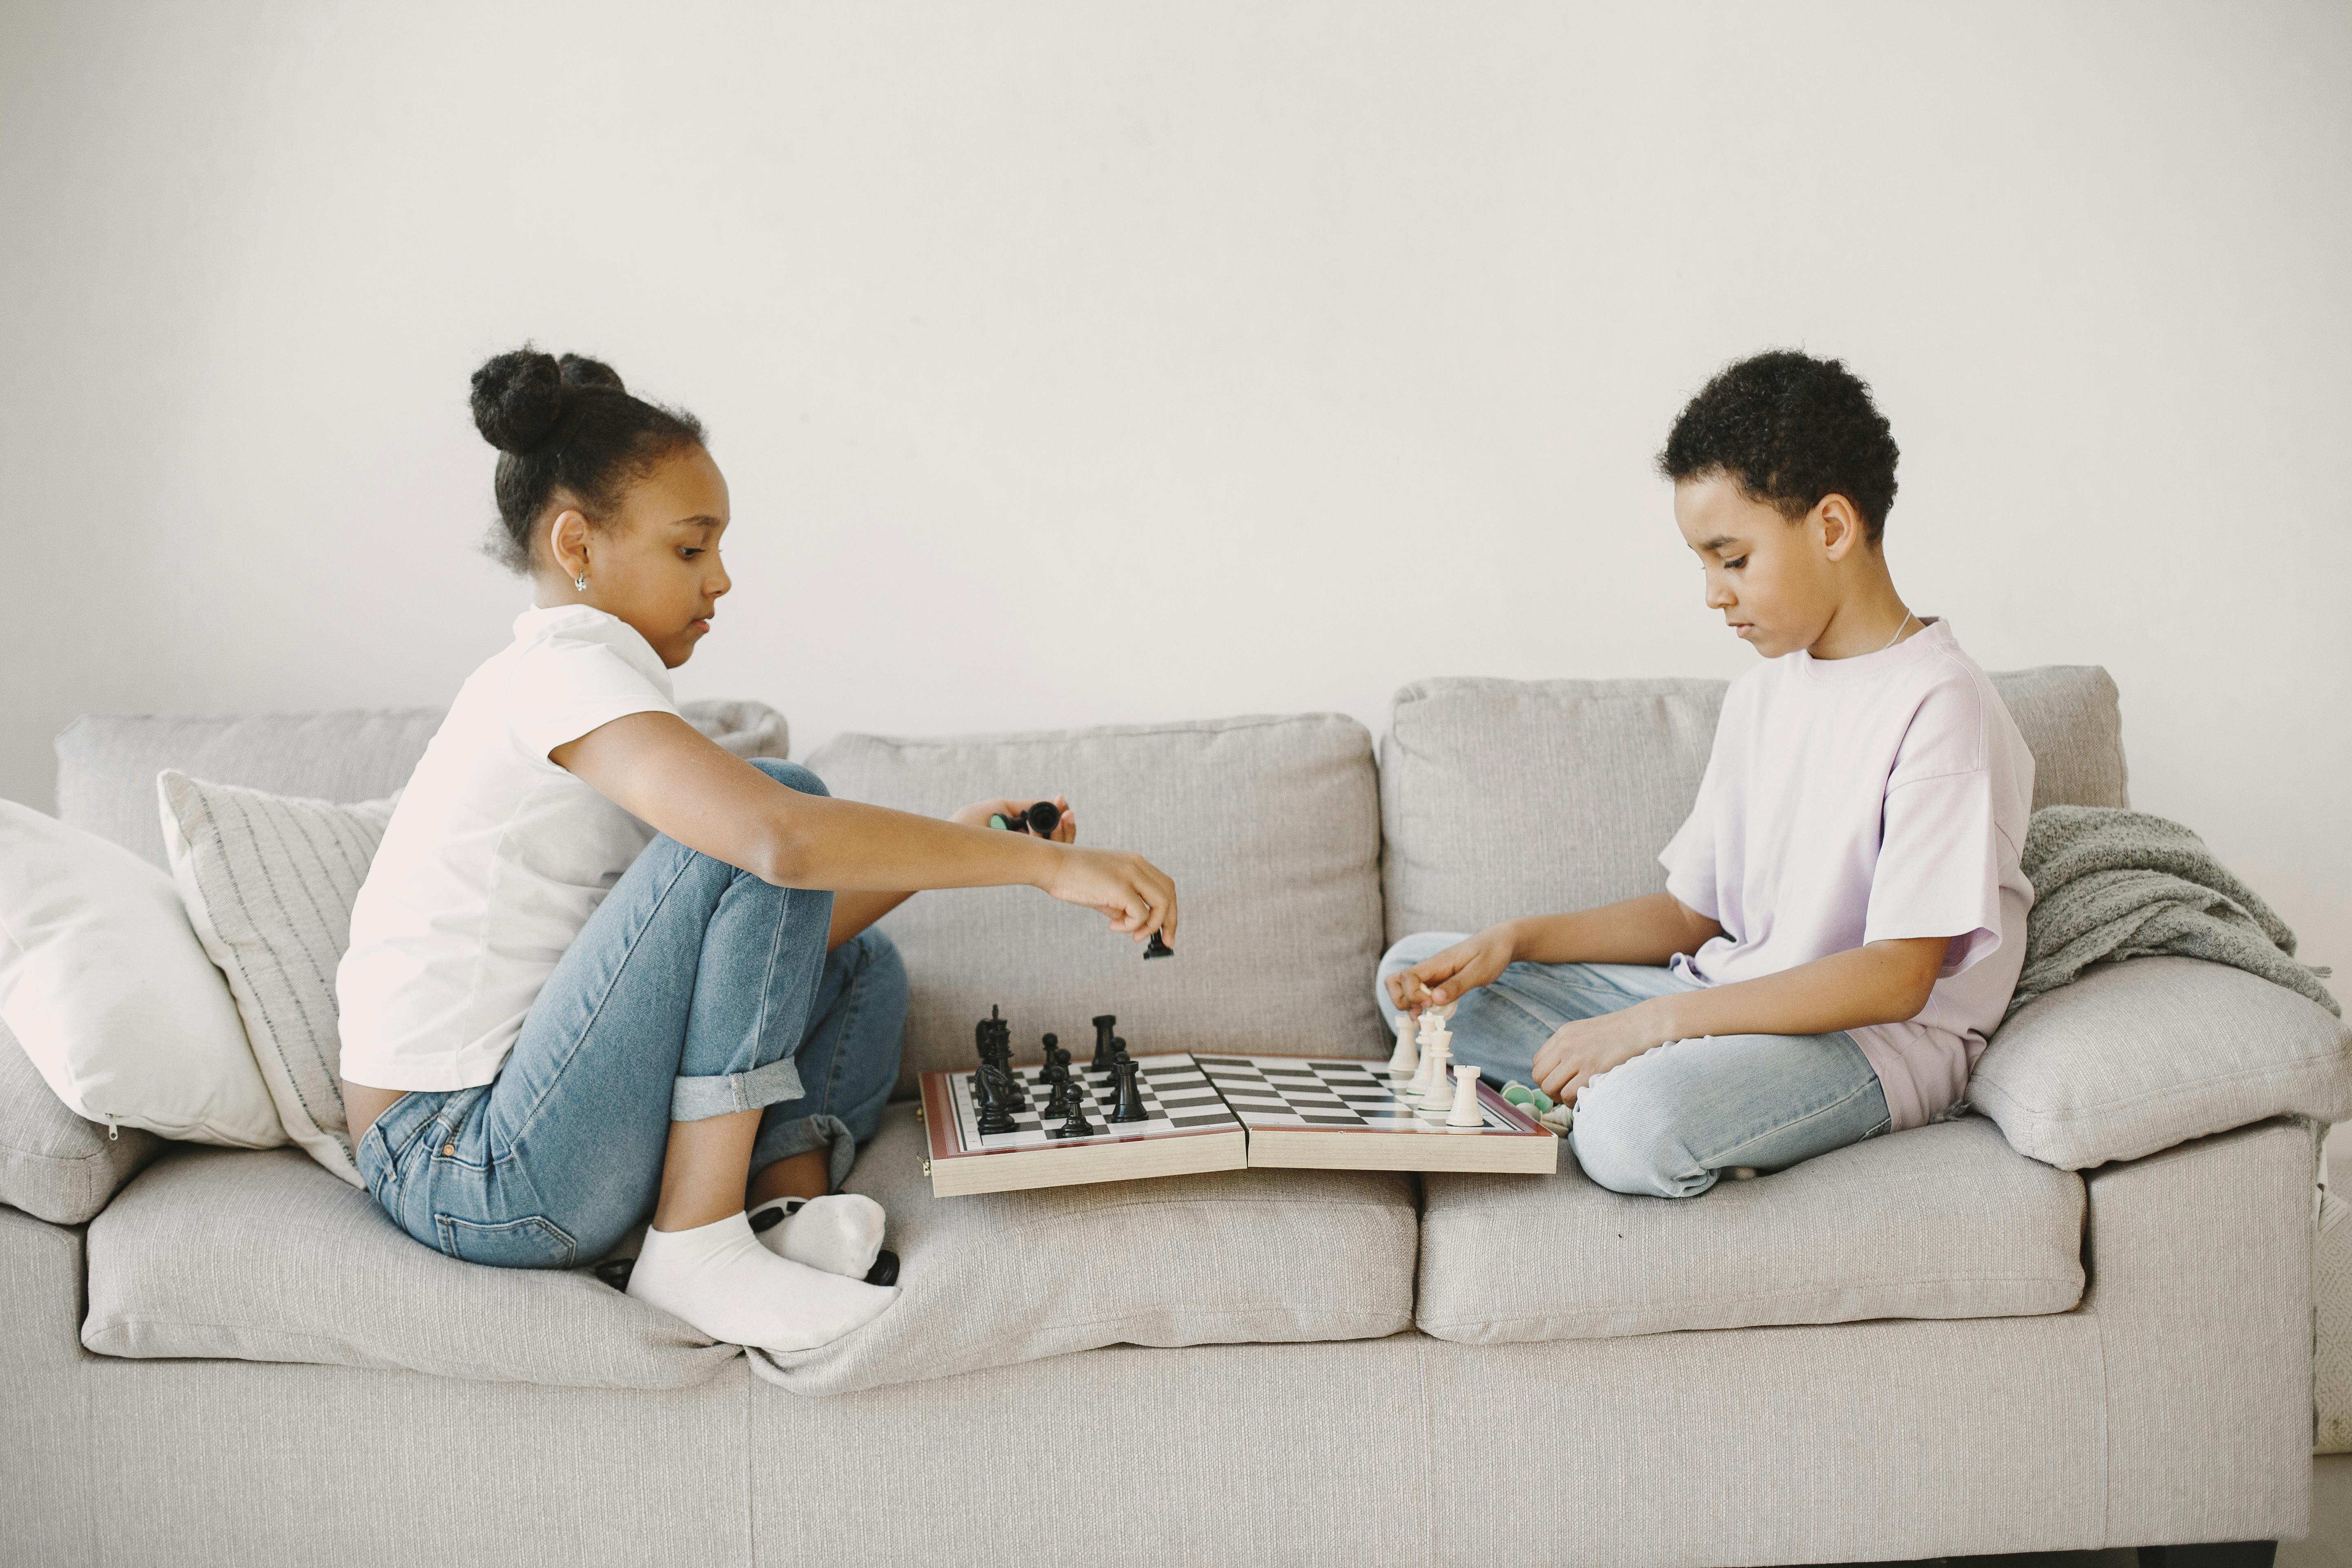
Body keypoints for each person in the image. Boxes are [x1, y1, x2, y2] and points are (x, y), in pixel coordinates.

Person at [336, 347, 1178, 1353]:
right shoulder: (557, 675)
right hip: (466, 1165)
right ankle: (697, 1245)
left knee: (859, 964)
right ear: (578, 545)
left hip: (530, 1130)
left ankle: (784, 1215)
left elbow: (752, 937)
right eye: (692, 549)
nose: (722, 579)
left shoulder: (602, 699)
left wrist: (952, 847)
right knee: (779, 802)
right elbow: (777, 841)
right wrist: (1049, 867)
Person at [1379, 349, 2033, 1199]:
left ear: (1832, 527)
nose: (1713, 595)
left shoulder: (1941, 703)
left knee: (1630, 1130)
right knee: (1422, 971)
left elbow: (1898, 975)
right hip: (1725, 1005)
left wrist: (1652, 1027)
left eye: (1732, 559)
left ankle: (1645, 1095)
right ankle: (1663, 1090)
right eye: (1702, 564)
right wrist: (1516, 940)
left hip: (1870, 1046)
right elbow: (1695, 913)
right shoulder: (1765, 694)